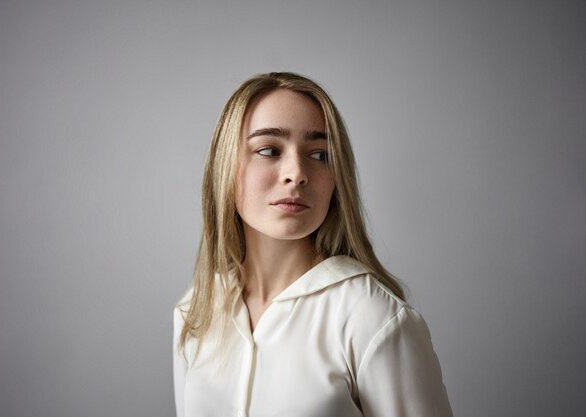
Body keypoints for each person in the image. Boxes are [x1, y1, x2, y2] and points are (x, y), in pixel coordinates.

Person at [173, 72, 453, 417]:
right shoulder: (195, 312)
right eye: (269, 150)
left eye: (320, 155)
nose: (297, 172)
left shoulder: (373, 318)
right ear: (224, 168)